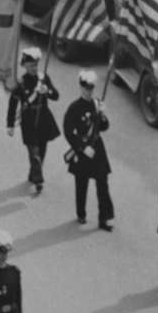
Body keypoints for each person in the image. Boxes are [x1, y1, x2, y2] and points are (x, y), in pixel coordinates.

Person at [63, 70, 114, 230]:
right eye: (85, 88)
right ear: (80, 87)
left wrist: (103, 116)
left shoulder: (97, 104)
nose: (88, 91)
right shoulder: (74, 108)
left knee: (103, 184)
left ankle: (104, 218)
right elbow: (69, 131)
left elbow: (104, 127)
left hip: (97, 148)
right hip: (83, 149)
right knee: (81, 184)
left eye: (91, 88)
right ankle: (81, 213)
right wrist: (82, 148)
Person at [6, 47, 60, 194]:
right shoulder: (20, 83)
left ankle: (34, 174)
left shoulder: (43, 78)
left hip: (43, 119)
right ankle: (38, 181)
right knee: (34, 153)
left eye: (36, 65)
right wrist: (10, 124)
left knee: (41, 152)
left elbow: (56, 96)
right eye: (31, 66)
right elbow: (13, 104)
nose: (34, 68)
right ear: (24, 66)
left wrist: (46, 91)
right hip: (29, 121)